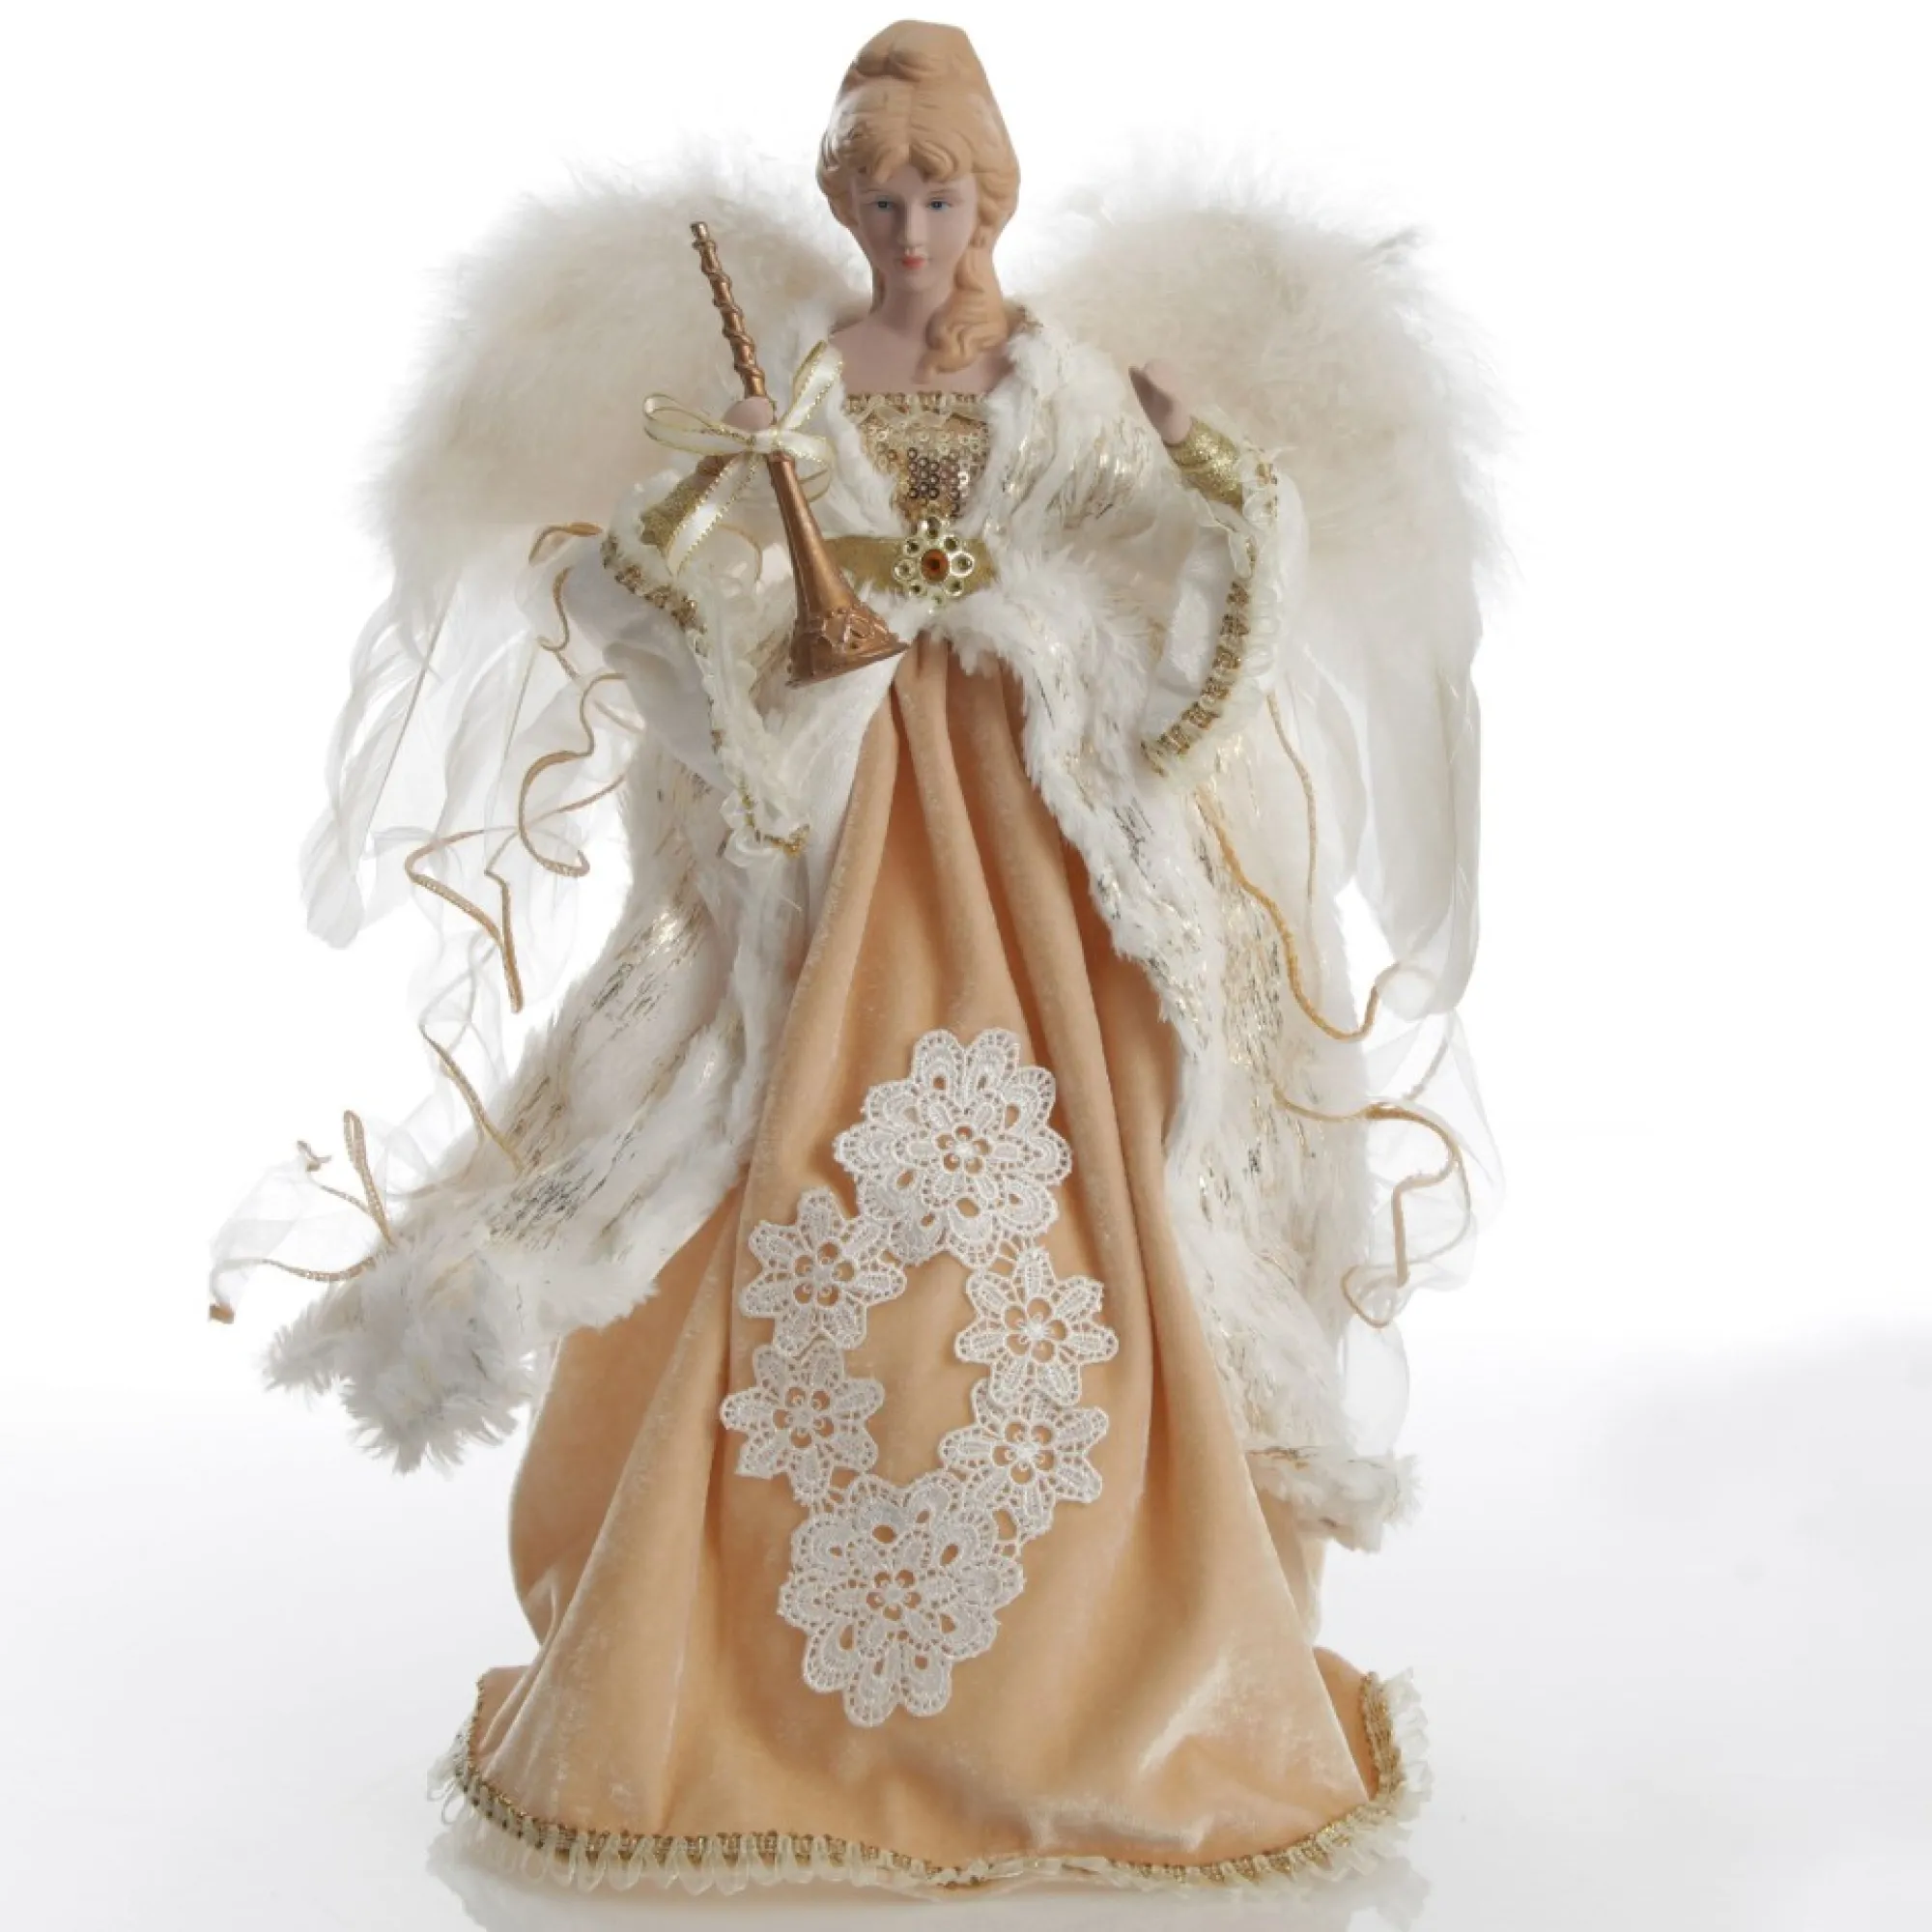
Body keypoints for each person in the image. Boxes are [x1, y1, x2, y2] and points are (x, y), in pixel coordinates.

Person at [212, 17, 1495, 1897]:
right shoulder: (813, 374)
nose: (911, 232)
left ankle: (1096, 1680)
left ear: (990, 199)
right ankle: (737, 1678)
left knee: (1084, 1214)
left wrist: (1197, 474)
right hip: (851, 817)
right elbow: (674, 566)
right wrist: (724, 514)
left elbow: (1198, 582)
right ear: (846, 205)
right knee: (784, 1156)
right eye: (882, 200)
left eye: (939, 198)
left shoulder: (1052, 377)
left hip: (1035, 825)